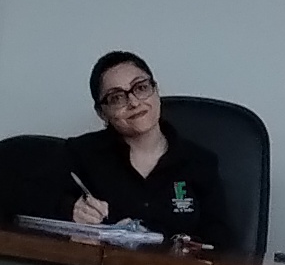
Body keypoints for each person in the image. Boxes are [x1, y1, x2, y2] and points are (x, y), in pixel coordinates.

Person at [62, 51, 228, 248]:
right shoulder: (80, 153)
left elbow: (221, 243)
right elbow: (37, 205)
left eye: (141, 88)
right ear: (101, 113)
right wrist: (71, 212)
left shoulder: (201, 162)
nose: (133, 102)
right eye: (117, 98)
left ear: (156, 90)